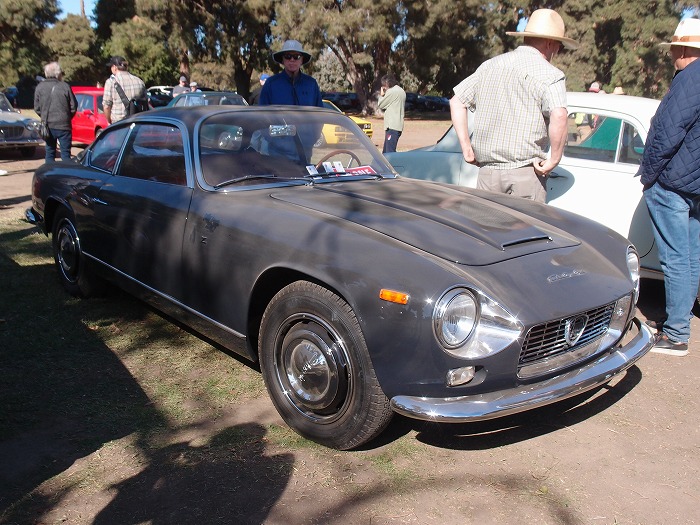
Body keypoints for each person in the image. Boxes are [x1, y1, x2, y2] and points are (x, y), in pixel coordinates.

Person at [449, 8, 578, 203]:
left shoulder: (489, 66)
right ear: (549, 43)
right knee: (525, 224)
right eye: (559, 46)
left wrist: (467, 147)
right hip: (526, 174)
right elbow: (559, 116)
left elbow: (457, 101)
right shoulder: (551, 75)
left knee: (487, 223)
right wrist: (554, 159)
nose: (557, 52)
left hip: (488, 174)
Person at [638, 18, 700, 357]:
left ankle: (676, 334)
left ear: (683, 49)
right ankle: (679, 319)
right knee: (690, 256)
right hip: (694, 183)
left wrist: (650, 175)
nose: (671, 54)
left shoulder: (690, 78)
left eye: (674, 48)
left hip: (673, 182)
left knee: (676, 258)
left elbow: (667, 130)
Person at [33, 62, 77, 163]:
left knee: (50, 152)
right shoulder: (65, 86)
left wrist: (44, 116)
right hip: (64, 125)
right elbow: (73, 107)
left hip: (48, 126)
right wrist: (66, 117)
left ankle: (50, 171)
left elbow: (37, 108)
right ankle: (65, 172)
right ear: (58, 73)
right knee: (66, 154)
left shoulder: (40, 87)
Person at [259, 40, 323, 107]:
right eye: (288, 56)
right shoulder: (270, 84)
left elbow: (320, 111)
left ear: (302, 60)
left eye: (296, 56)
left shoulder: (311, 84)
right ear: (282, 60)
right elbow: (262, 111)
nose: (292, 60)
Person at [103, 56, 146, 124]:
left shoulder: (111, 82)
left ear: (114, 67)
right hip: (137, 123)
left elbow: (107, 107)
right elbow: (146, 103)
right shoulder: (139, 81)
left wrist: (109, 121)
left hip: (119, 124)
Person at [376, 74, 406, 153]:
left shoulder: (391, 91)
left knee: (389, 152)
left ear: (387, 83)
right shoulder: (401, 91)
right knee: (385, 152)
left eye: (384, 85)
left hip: (391, 126)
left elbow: (381, 104)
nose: (384, 87)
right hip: (398, 125)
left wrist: (382, 94)